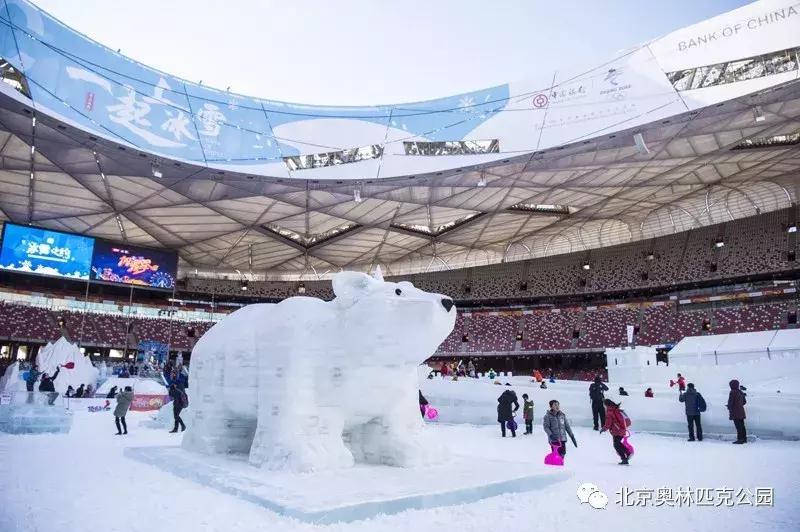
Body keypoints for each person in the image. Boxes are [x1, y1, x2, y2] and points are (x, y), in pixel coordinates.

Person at [600, 399, 631, 465]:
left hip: (617, 431)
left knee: (616, 445)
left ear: (606, 405)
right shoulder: (616, 409)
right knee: (617, 444)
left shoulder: (609, 412)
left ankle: (625, 458)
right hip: (622, 429)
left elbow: (608, 423)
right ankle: (627, 453)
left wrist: (603, 429)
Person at [727, 379, 747, 444]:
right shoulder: (740, 392)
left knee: (738, 426)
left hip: (735, 412)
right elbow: (744, 402)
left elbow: (730, 402)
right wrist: (739, 405)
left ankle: (740, 439)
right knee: (742, 426)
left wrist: (729, 407)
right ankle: (744, 439)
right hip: (741, 411)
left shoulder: (732, 392)